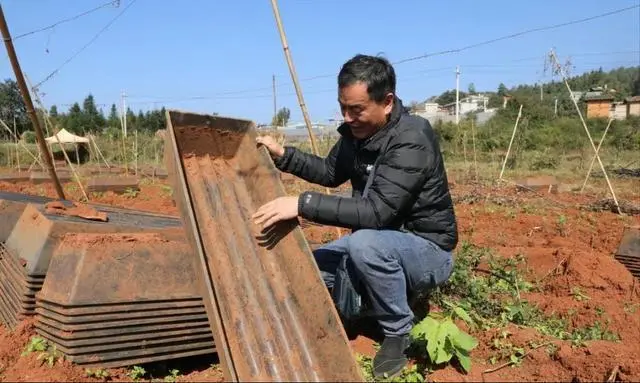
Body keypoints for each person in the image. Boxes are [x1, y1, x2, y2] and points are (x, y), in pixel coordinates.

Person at [252, 54, 458, 379]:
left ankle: (396, 330)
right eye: (343, 107)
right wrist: (285, 156)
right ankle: (360, 303)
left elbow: (376, 212)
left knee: (364, 246)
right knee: (308, 262)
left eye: (356, 109)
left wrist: (302, 205)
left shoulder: (412, 138)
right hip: (377, 241)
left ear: (387, 102)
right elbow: (330, 172)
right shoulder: (357, 135)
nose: (347, 117)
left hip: (425, 250)